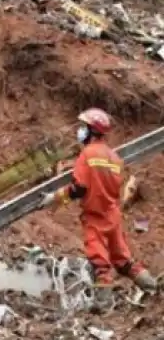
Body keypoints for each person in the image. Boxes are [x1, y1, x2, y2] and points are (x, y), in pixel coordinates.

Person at [40, 108, 156, 310]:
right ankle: (152, 286)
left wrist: (56, 197)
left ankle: (102, 304)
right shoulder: (114, 158)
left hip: (95, 217)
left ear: (91, 130)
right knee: (123, 261)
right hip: (112, 214)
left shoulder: (87, 154)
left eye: (83, 127)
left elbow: (80, 188)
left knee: (100, 262)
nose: (80, 131)